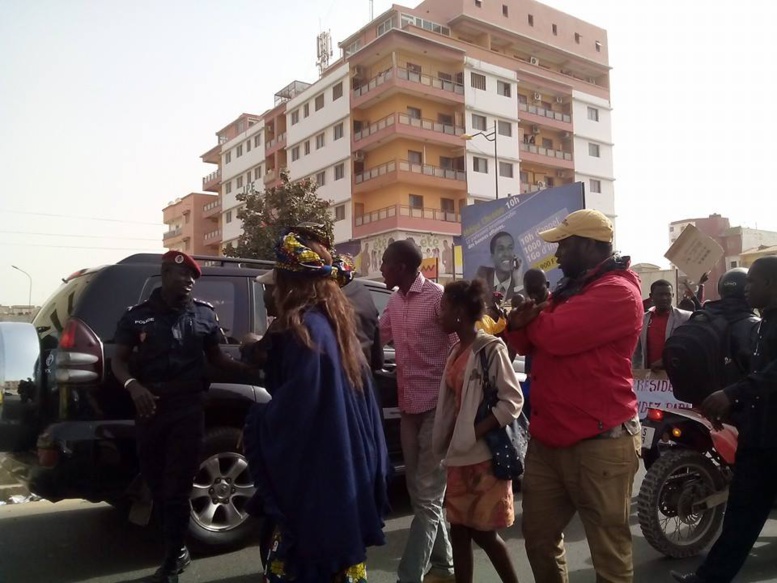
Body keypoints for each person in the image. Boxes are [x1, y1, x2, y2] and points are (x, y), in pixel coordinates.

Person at [504, 209, 643, 583]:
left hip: (600, 442)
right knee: (538, 539)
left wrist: (528, 322)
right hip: (549, 441)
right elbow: (519, 341)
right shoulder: (570, 290)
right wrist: (522, 324)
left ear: (588, 245)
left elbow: (552, 337)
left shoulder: (618, 292)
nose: (557, 255)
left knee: (608, 554)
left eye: (564, 245)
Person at [243, 229, 389, 583]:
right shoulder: (332, 327)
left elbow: (295, 418)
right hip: (344, 483)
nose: (270, 292)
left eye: (273, 284)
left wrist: (258, 420)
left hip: (320, 491)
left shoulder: (305, 331)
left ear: (288, 283)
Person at [112, 251, 256, 583]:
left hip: (188, 409)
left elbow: (217, 359)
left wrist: (252, 367)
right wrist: (133, 387)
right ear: (165, 274)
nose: (189, 281)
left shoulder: (204, 315)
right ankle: (176, 547)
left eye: (192, 278)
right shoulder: (137, 317)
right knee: (157, 484)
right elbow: (118, 361)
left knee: (178, 487)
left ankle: (173, 556)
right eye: (182, 275)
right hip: (150, 410)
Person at [671, 257, 777, 583]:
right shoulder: (762, 323)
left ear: (771, 285)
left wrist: (731, 393)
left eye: (753, 283)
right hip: (758, 437)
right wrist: (729, 409)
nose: (747, 290)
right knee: (740, 517)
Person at [432, 279, 523, 583]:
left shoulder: (490, 349)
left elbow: (512, 401)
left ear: (459, 311)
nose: (438, 314)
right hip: (459, 456)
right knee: (458, 531)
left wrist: (476, 431)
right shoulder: (457, 349)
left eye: (443, 308)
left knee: (484, 535)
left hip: (484, 458)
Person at [379, 239, 455, 583]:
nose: (379, 268)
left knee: (427, 495)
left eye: (384, 263)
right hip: (408, 408)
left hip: (438, 407)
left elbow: (460, 348)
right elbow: (373, 338)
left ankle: (408, 576)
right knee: (418, 492)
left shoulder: (438, 298)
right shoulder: (393, 302)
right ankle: (445, 566)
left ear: (401, 267)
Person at [632, 279, 692, 370]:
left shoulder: (685, 318)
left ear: (672, 295)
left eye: (667, 294)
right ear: (651, 296)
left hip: (677, 374)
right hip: (652, 378)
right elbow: (636, 352)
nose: (664, 298)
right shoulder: (643, 319)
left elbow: (689, 347)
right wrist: (637, 374)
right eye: (660, 295)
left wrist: (666, 361)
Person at [519, 268, 550, 418]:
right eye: (529, 291)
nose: (534, 295)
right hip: (531, 379)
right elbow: (519, 348)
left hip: (552, 383)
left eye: (538, 290)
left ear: (547, 284)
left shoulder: (558, 308)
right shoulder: (526, 311)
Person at [475, 232, 524, 303]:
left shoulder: (520, 282)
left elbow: (525, 309)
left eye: (510, 248)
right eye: (501, 249)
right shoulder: (483, 275)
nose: (506, 254)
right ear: (492, 257)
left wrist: (518, 279)